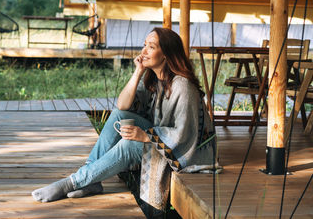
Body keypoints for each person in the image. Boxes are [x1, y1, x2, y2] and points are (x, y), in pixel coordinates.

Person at [32, 27, 217, 210]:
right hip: (166, 139)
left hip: (191, 154)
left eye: (151, 47)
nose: (143, 51)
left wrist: (146, 136)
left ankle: (72, 182)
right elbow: (122, 106)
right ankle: (90, 180)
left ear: (166, 54)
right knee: (119, 116)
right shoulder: (155, 80)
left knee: (129, 145)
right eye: (144, 45)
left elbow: (184, 134)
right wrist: (138, 72)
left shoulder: (182, 87)